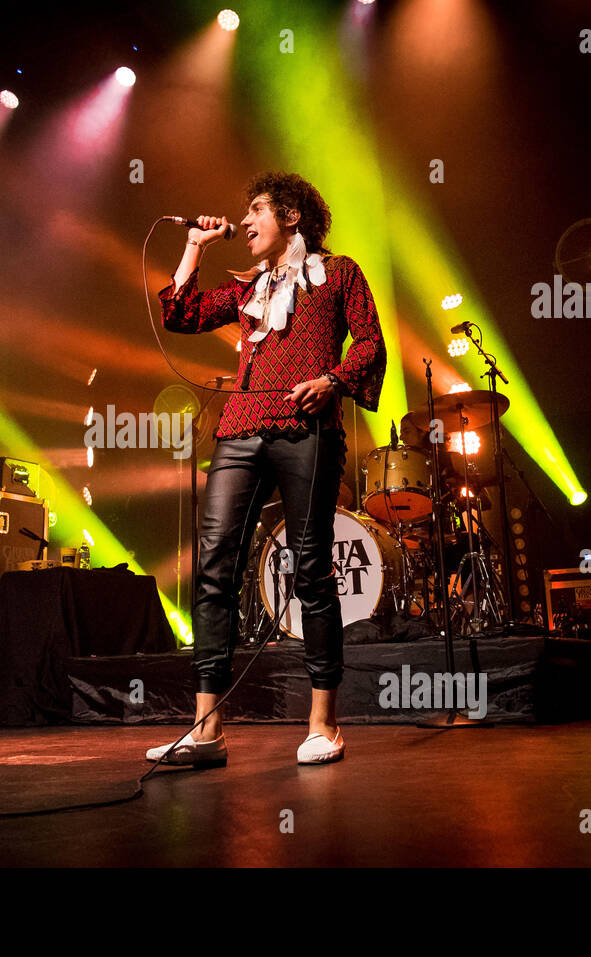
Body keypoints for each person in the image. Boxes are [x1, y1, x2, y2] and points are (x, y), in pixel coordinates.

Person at [146, 172, 386, 766]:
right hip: (240, 426)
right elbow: (181, 314)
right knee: (214, 569)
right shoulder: (250, 285)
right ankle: (206, 732)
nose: (245, 222)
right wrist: (195, 247)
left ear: (293, 216)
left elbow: (371, 344)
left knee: (310, 569)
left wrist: (332, 381)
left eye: (256, 210)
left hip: (307, 429)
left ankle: (323, 725)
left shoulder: (340, 273)